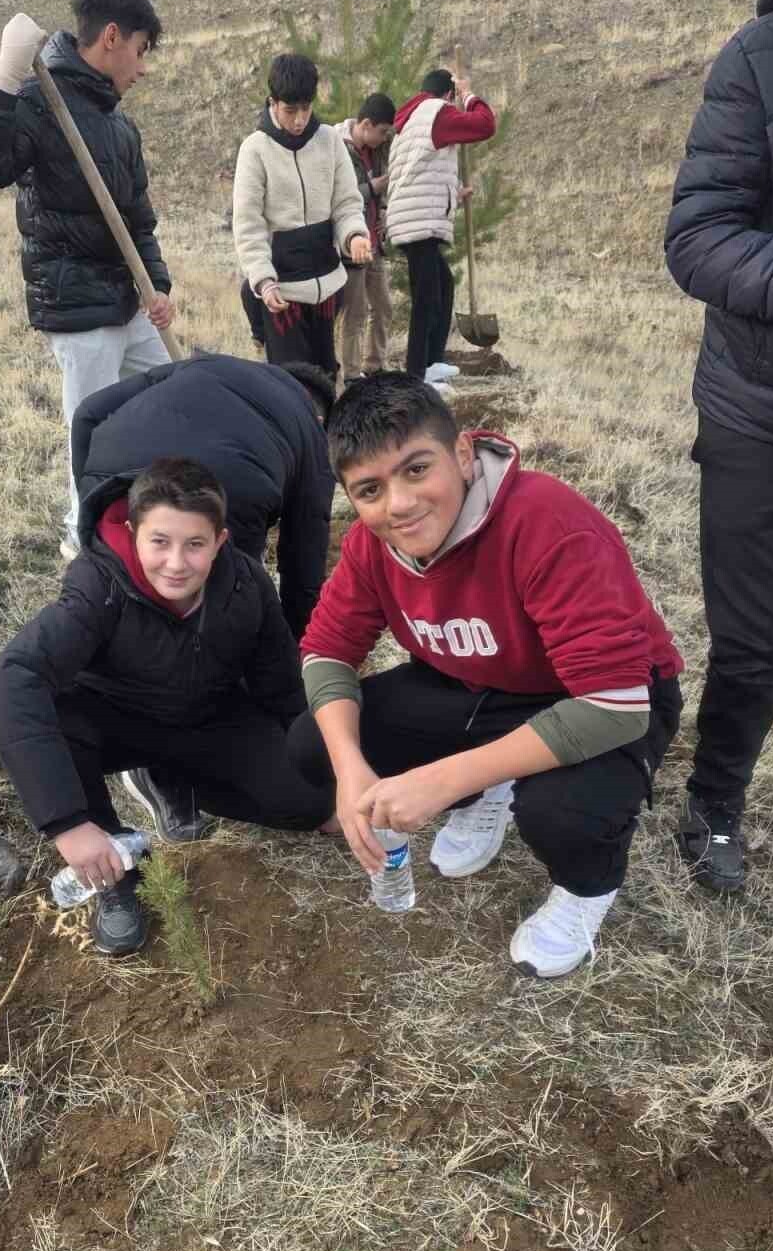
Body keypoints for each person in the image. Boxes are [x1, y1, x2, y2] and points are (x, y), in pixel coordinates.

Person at [288, 373, 684, 978]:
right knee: (315, 743)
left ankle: (586, 890)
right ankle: (487, 788)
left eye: (416, 469)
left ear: (464, 454)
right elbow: (326, 652)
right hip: (481, 684)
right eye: (370, 489)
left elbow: (614, 704)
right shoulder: (373, 546)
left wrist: (442, 780)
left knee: (560, 815)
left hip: (608, 697)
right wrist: (350, 773)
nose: (398, 504)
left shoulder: (547, 522)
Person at [0, 458, 336, 957]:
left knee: (310, 804)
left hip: (210, 717)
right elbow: (15, 679)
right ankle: (114, 872)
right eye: (160, 542)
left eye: (195, 544)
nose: (176, 563)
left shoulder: (246, 584)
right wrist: (67, 823)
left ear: (220, 540)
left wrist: (330, 771)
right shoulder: (96, 585)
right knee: (58, 718)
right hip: (116, 718)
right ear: (133, 532)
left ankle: (173, 781)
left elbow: (280, 686)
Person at [664, 0, 773, 895]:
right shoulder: (760, 57)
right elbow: (697, 236)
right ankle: (714, 803)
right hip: (765, 406)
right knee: (763, 638)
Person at [0, 0, 176, 557]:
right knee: (91, 430)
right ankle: (82, 542)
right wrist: (5, 79)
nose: (141, 67)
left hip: (127, 301)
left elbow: (139, 217)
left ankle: (148, 513)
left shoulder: (117, 124)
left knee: (169, 394)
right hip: (77, 301)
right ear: (111, 36)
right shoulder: (41, 99)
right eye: (139, 50)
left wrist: (156, 284)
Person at [70, 353, 336, 639]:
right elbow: (304, 552)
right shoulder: (311, 428)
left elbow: (88, 411)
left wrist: (93, 497)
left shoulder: (206, 362)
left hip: (115, 459)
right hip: (231, 489)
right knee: (223, 615)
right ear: (321, 419)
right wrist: (300, 642)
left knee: (109, 591)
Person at [232, 52, 372, 378]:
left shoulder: (330, 141)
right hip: (281, 293)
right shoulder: (255, 149)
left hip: (326, 285)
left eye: (305, 109)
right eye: (290, 110)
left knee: (325, 377)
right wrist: (264, 281)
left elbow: (347, 204)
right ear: (273, 102)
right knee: (292, 383)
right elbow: (248, 226)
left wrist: (354, 236)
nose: (299, 120)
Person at [386, 69, 496, 385]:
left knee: (442, 285)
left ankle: (431, 362)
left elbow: (420, 173)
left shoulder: (411, 120)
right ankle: (417, 373)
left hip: (411, 216)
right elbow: (484, 125)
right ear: (446, 95)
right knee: (426, 298)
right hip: (417, 221)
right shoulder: (436, 113)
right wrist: (468, 96)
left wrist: (453, 195)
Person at [335, 93, 396, 385]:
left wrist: (383, 207)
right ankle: (350, 373)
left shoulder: (379, 149)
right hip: (352, 246)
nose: (384, 138)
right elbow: (338, 199)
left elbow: (383, 188)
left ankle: (376, 365)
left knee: (383, 306)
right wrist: (371, 188)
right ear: (367, 124)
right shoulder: (338, 148)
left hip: (376, 243)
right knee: (355, 313)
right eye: (382, 132)